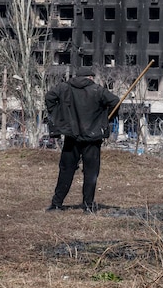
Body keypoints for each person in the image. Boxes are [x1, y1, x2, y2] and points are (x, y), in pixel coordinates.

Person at [44, 67, 119, 213]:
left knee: (66, 170)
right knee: (91, 172)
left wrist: (59, 117)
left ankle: (56, 204)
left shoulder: (63, 87)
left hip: (71, 136)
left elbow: (49, 98)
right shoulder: (98, 90)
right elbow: (115, 101)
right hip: (92, 138)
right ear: (90, 77)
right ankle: (88, 206)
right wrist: (104, 117)